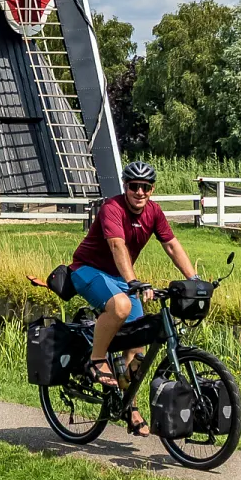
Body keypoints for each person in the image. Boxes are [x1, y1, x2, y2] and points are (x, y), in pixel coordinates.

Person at [69, 159, 198, 436]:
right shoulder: (111, 208)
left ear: (152, 189)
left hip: (120, 277)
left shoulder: (154, 212)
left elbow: (172, 245)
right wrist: (132, 282)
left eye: (146, 187)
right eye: (134, 186)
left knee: (137, 342)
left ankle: (131, 408)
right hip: (87, 270)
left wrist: (194, 280)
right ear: (125, 186)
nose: (140, 192)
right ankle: (97, 359)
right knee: (122, 305)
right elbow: (117, 245)